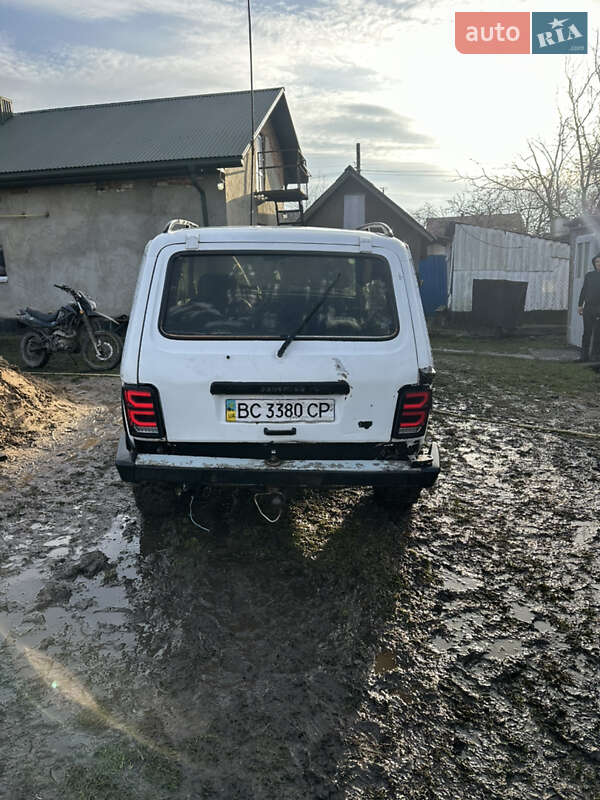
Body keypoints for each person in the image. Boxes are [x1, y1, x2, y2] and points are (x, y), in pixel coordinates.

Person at [578, 253, 600, 362]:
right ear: (594, 263)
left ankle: (595, 356)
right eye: (597, 262)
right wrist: (580, 305)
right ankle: (584, 356)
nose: (599, 264)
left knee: (598, 333)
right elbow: (583, 290)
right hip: (588, 308)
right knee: (587, 332)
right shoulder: (589, 275)